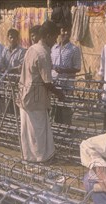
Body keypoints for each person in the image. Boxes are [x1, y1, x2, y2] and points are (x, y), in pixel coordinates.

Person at [18, 21, 65, 164]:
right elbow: (47, 82)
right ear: (48, 36)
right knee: (38, 131)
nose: (56, 40)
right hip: (35, 98)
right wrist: (59, 93)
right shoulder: (43, 53)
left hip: (25, 95)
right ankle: (41, 159)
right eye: (55, 37)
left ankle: (28, 157)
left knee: (27, 130)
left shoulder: (31, 49)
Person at [51, 23, 81, 125]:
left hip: (67, 86)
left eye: (68, 31)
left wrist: (64, 71)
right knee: (53, 109)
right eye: (64, 30)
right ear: (59, 32)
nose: (66, 33)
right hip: (53, 85)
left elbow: (77, 68)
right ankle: (55, 133)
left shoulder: (74, 49)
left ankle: (66, 132)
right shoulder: (53, 48)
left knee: (65, 111)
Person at [0, 28, 26, 113]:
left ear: (17, 38)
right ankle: (9, 121)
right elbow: (1, 62)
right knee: (8, 103)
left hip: (17, 83)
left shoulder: (21, 51)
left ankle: (17, 122)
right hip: (7, 82)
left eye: (15, 37)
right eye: (11, 37)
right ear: (8, 38)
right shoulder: (5, 50)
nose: (13, 40)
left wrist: (10, 70)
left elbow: (21, 67)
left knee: (17, 103)